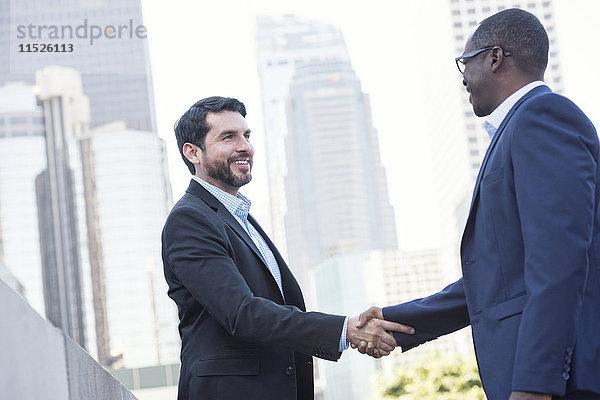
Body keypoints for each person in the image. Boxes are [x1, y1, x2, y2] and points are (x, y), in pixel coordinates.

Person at [357, 8, 600, 400]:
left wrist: (535, 385)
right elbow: (498, 279)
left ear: (494, 57)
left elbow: (560, 262)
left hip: (557, 386)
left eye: (464, 65)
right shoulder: (517, 129)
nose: (463, 79)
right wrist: (396, 319)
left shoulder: (542, 118)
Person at [161, 96, 414, 400]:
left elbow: (277, 310)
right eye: (228, 137)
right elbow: (243, 314)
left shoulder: (241, 219)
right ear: (193, 153)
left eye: (246, 135)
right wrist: (346, 330)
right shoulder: (190, 220)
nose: (245, 146)